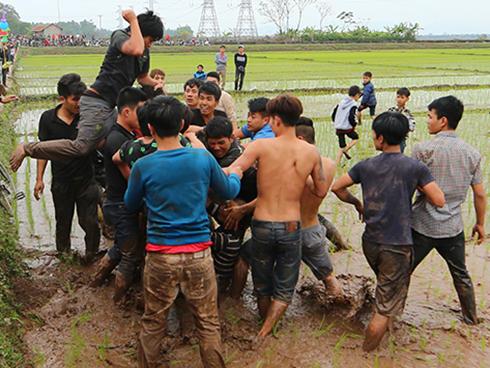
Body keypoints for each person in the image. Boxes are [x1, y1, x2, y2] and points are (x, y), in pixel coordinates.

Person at [123, 96, 242, 368]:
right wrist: (235, 173)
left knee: (153, 322)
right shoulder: (201, 158)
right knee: (208, 323)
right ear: (181, 123)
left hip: (160, 255)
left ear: (150, 128)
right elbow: (228, 191)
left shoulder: (143, 166)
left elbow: (130, 204)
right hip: (199, 253)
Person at [331, 111, 445, 351]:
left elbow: (337, 187)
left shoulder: (365, 166)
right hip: (397, 245)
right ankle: (367, 354)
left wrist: (357, 203)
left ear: (381, 139)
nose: (373, 139)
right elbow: (439, 200)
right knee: (383, 306)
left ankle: (390, 325)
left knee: (387, 287)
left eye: (373, 135)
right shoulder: (415, 167)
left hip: (370, 242)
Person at [10, 10, 164, 171]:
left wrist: (156, 84)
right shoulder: (121, 36)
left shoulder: (144, 51)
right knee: (81, 146)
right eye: (150, 39)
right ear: (139, 30)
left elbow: (143, 77)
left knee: (108, 143)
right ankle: (27, 148)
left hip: (111, 106)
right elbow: (135, 49)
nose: (149, 44)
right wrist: (133, 20)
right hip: (96, 102)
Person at [229, 94, 329, 339]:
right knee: (284, 286)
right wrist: (300, 175)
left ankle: (262, 327)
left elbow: (235, 168)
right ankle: (266, 332)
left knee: (262, 283)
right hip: (291, 226)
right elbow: (320, 190)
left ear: (274, 120)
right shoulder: (310, 152)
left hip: (262, 223)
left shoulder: (261, 146)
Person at [411, 96, 486, 325]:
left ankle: (389, 317)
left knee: (402, 272)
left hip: (421, 225)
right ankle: (471, 319)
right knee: (461, 275)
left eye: (429, 116)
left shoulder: (423, 150)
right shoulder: (472, 153)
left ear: (442, 120)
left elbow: (409, 188)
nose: (427, 121)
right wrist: (480, 224)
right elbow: (480, 194)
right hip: (452, 227)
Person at [33, 73, 100, 263]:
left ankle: (92, 255)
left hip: (87, 179)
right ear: (62, 99)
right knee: (63, 220)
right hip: (62, 181)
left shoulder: (87, 117)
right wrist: (39, 179)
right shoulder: (48, 119)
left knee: (90, 221)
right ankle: (64, 256)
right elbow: (42, 150)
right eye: (75, 99)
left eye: (83, 99)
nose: (79, 104)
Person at [91, 87, 148, 303]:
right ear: (126, 112)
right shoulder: (118, 140)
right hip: (120, 204)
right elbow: (132, 179)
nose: (143, 116)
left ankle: (96, 281)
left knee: (120, 247)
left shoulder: (124, 135)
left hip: (118, 202)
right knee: (129, 255)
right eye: (139, 111)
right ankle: (117, 300)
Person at [332, 86, 361, 165]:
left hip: (338, 128)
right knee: (356, 138)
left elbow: (334, 113)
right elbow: (351, 117)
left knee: (341, 147)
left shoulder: (341, 102)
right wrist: (354, 125)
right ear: (357, 95)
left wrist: (336, 122)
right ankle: (346, 150)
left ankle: (336, 164)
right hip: (347, 128)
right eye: (359, 95)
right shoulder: (354, 104)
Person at [388, 87, 415, 153]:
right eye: (398, 97)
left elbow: (412, 127)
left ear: (407, 99)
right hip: (390, 139)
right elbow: (386, 124)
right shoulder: (391, 111)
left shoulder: (408, 113)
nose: (399, 99)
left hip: (401, 140)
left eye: (402, 97)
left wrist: (402, 129)